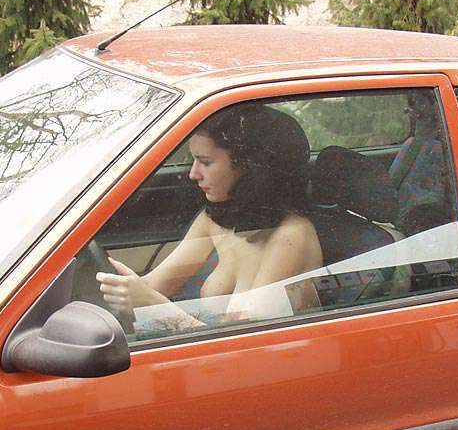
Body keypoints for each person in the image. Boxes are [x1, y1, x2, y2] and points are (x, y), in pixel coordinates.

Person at [96, 104, 323, 332]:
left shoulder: (291, 236)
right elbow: (153, 285)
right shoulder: (216, 219)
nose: (193, 174)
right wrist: (110, 281)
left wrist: (154, 306)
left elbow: (246, 340)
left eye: (205, 162)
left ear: (248, 166)